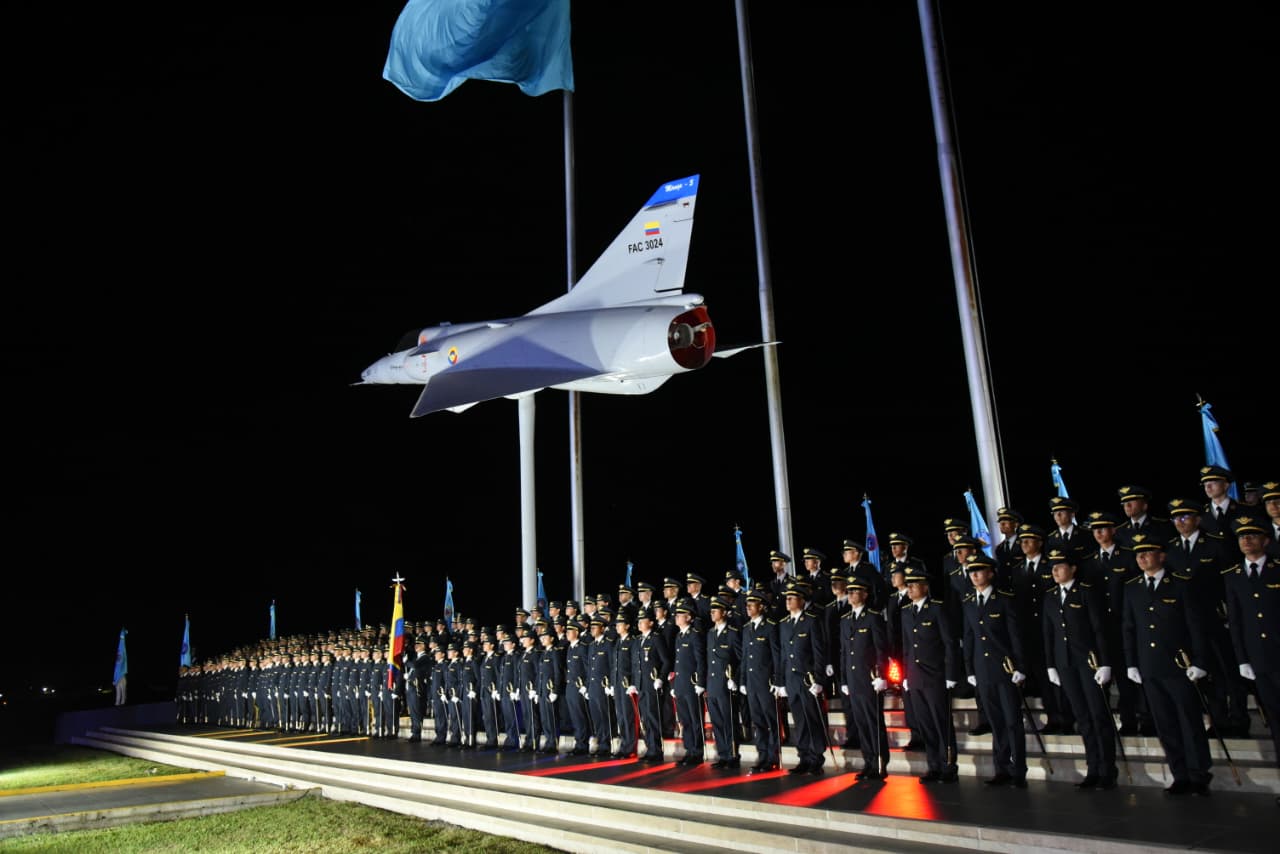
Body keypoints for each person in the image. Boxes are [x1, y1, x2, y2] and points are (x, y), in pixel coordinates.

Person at [1123, 534, 1213, 796]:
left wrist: (1199, 661)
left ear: (1162, 556)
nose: (1142, 558)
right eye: (1138, 554)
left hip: (1179, 665)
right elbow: (1129, 628)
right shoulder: (1132, 587)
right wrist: (1131, 663)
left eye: (1148, 552)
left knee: (1189, 721)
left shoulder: (1180, 585)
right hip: (1149, 667)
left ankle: (1199, 773)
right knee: (1165, 724)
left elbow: (1195, 626)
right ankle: (1179, 774)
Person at [1165, 497, 1249, 737]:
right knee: (1206, 672)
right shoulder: (1170, 549)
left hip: (1215, 616)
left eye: (1185, 517)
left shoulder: (1215, 544)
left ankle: (1239, 718)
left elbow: (1230, 580)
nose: (1181, 522)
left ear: (1197, 519)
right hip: (1188, 622)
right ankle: (1218, 717)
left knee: (1228, 669)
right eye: (1176, 518)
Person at [1042, 548, 1116, 789]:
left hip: (1089, 662)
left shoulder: (1085, 592)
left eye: (1060, 566)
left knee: (1098, 715)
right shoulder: (1051, 596)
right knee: (1083, 718)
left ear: (1073, 568)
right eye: (1052, 567)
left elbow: (1099, 629)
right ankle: (1093, 768)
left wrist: (1105, 662)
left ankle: (1107, 769)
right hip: (1066, 665)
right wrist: (1051, 664)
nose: (1054, 571)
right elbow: (1049, 634)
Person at [961, 554, 1027, 787]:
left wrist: (1019, 667)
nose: (974, 575)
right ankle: (1002, 768)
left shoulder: (1004, 600)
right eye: (971, 571)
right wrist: (969, 668)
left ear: (991, 573)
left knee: (1012, 721)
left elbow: (1015, 636)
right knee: (996, 722)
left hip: (1005, 668)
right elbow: (968, 638)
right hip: (983, 670)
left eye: (979, 571)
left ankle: (1018, 769)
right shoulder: (969, 601)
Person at [1082, 510, 1148, 736]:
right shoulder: (1089, 562)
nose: (1099, 533)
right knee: (1113, 674)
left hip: (1128, 623)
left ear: (1113, 530)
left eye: (1103, 528)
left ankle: (1145, 718)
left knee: (1133, 673)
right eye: (1095, 530)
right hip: (1102, 626)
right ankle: (1127, 720)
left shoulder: (1128, 556)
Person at [1223, 515, 1279, 777]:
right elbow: (1235, 622)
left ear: (1266, 541)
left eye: (1252, 535)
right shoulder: (1233, 576)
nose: (1246, 540)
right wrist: (1243, 658)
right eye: (1242, 536)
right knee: (1276, 721)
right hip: (1258, 658)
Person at [900, 569, 959, 783]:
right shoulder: (906, 612)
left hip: (935, 675)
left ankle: (948, 765)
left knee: (941, 722)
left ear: (925, 586)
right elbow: (907, 646)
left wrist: (951, 674)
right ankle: (933, 765)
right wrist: (906, 674)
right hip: (915, 677)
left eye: (914, 585)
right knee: (924, 724)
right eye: (909, 585)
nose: (910, 588)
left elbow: (949, 644)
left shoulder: (937, 609)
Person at [838, 575, 890, 782]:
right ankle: (868, 762)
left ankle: (879, 763)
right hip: (852, 679)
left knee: (873, 722)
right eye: (849, 591)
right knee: (860, 723)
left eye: (854, 591)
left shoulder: (873, 617)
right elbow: (843, 652)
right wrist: (843, 679)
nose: (850, 594)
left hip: (869, 679)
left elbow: (880, 649)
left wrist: (881, 676)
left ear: (865, 594)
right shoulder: (845, 620)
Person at [778, 579, 828, 775]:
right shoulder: (784, 624)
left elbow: (818, 653)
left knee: (812, 719)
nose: (787, 601)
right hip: (791, 680)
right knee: (799, 720)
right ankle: (804, 757)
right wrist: (781, 681)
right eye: (786, 598)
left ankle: (816, 758)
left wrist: (818, 680)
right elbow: (783, 654)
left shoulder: (811, 621)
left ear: (801, 600)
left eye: (791, 598)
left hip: (807, 680)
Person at [739, 589, 781, 774]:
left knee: (770, 720)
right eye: (747, 604)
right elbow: (745, 658)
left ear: (761, 606)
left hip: (766, 682)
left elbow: (776, 656)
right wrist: (742, 680)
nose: (748, 607)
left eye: (752, 604)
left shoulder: (770, 626)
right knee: (758, 721)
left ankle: (772, 757)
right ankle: (762, 755)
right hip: (751, 682)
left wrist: (778, 680)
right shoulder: (747, 628)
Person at [670, 601, 707, 765]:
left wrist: (700, 682)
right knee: (685, 720)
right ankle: (689, 749)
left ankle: (697, 752)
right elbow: (678, 663)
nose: (676, 617)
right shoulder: (679, 636)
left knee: (695, 719)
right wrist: (674, 684)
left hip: (692, 684)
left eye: (680, 615)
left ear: (689, 617)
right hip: (681, 684)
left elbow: (700, 660)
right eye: (676, 615)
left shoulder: (694, 635)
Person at [705, 598, 741, 768]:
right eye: (711, 610)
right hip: (712, 684)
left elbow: (740, 659)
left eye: (716, 610)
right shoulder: (711, 633)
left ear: (724, 612)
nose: (712, 612)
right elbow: (708, 660)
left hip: (726, 684)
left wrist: (734, 678)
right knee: (717, 722)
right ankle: (723, 754)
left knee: (729, 720)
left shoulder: (732, 632)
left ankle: (733, 755)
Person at [633, 606, 670, 761]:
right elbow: (637, 664)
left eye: (643, 621)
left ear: (651, 623)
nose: (640, 623)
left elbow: (666, 661)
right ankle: (650, 748)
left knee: (653, 717)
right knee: (645, 719)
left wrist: (660, 678)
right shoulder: (639, 640)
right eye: (639, 621)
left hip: (652, 684)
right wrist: (635, 682)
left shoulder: (656, 638)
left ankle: (656, 750)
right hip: (641, 685)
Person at [611, 612, 639, 758]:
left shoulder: (632, 641)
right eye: (616, 624)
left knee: (628, 716)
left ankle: (630, 748)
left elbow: (635, 664)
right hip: (617, 684)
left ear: (627, 626)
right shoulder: (618, 642)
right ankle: (623, 746)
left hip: (627, 684)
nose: (617, 627)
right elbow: (613, 665)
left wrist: (633, 683)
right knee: (621, 716)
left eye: (620, 624)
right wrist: (611, 683)